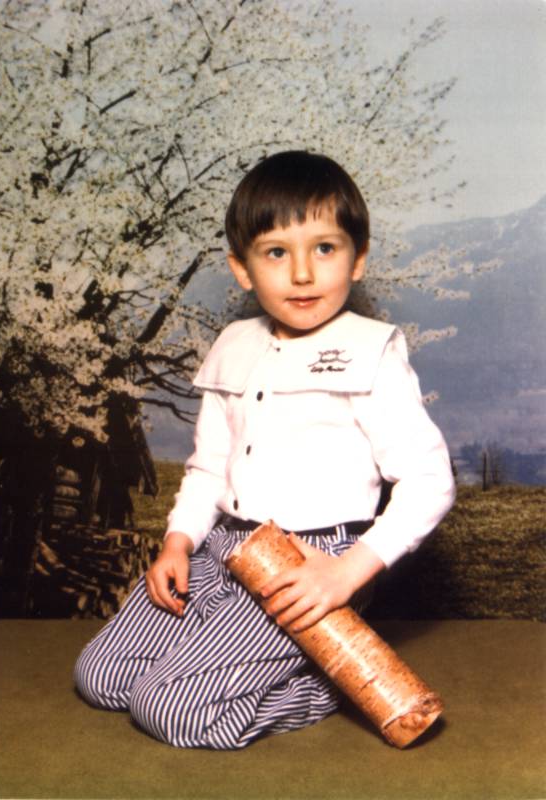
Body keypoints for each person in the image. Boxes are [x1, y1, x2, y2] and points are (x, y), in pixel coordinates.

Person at [74, 151, 455, 749]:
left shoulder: (372, 349)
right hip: (223, 547)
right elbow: (208, 467)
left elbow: (431, 481)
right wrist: (178, 542)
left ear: (358, 258)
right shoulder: (233, 343)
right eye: (277, 252)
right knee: (101, 678)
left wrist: (348, 572)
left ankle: (325, 686)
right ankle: (226, 659)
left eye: (324, 248)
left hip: (312, 563)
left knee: (169, 709)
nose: (302, 273)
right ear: (243, 269)